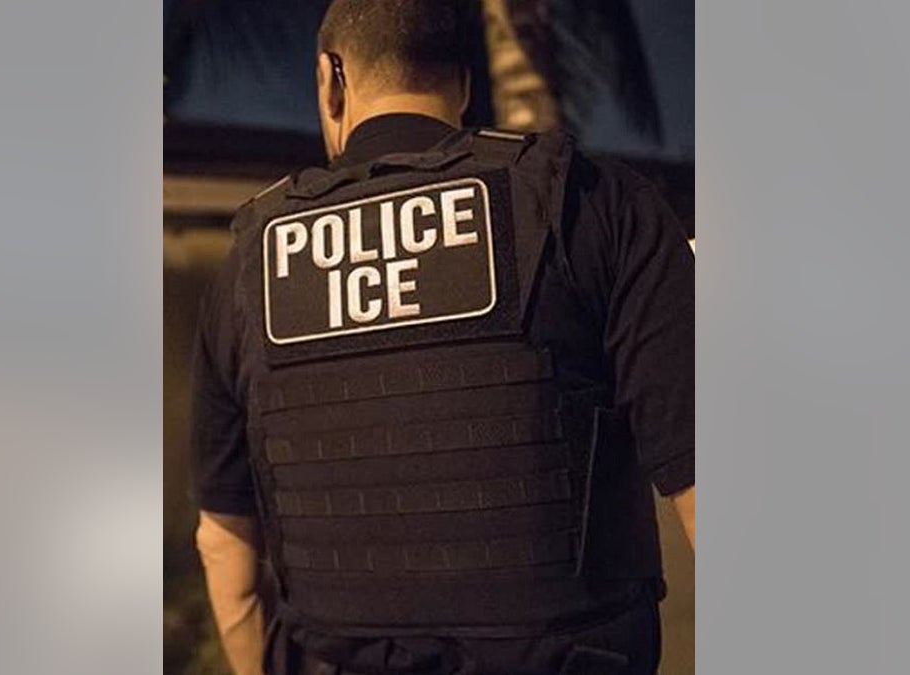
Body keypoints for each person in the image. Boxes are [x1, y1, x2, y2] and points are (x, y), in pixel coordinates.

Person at [190, 1, 694, 673]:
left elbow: (224, 546)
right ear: (464, 82)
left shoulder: (250, 265)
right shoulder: (595, 205)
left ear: (330, 80)